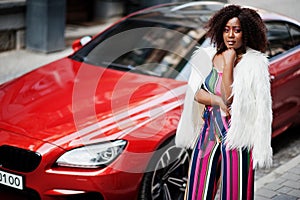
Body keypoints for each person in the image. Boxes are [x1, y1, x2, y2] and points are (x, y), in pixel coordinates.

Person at [175, 4, 273, 200]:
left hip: (238, 134)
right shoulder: (208, 56)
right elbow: (197, 94)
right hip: (209, 132)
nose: (230, 35)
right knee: (197, 190)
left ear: (246, 33)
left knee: (235, 193)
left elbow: (231, 97)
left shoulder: (254, 64)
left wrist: (229, 63)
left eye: (237, 30)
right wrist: (217, 101)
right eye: (226, 29)